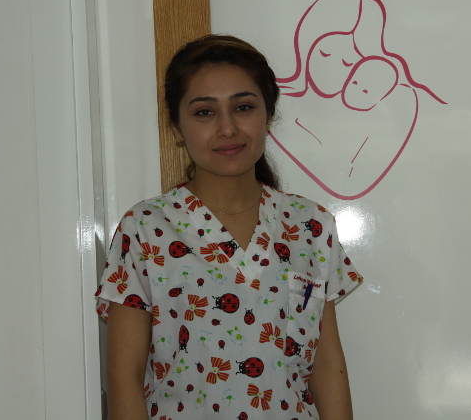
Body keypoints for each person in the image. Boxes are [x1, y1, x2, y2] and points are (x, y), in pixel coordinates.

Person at [96, 34, 363, 420]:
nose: (227, 128)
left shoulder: (311, 226)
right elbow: (124, 379)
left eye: (243, 107)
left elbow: (327, 364)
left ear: (268, 115)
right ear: (176, 125)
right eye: (205, 112)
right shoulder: (144, 230)